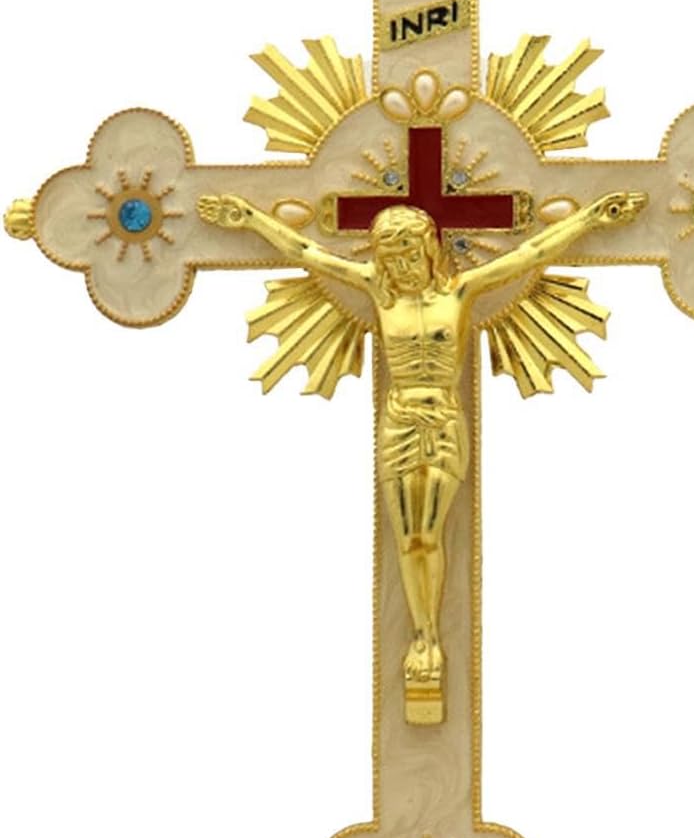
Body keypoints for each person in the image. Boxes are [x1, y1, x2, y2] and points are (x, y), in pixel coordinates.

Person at [198, 189, 647, 715]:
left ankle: (428, 638)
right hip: (398, 424)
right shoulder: (379, 292)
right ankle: (421, 633)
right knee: (407, 538)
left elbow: (532, 253)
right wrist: (250, 217)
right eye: (391, 258)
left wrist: (592, 217)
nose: (402, 267)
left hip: (442, 422)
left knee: (428, 532)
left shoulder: (459, 293)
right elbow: (305, 252)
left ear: (431, 248)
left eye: (410, 254)